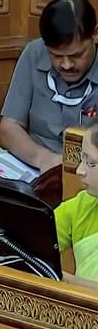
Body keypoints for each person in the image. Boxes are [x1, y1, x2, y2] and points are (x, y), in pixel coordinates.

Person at [1, 0, 98, 172]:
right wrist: (43, 159)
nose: (67, 65)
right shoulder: (34, 53)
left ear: (95, 34)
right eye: (56, 56)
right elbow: (10, 126)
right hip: (38, 168)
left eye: (77, 55)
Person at [57, 123, 98, 287]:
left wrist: (63, 279)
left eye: (91, 164)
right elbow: (33, 243)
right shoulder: (81, 206)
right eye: (82, 159)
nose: (79, 170)